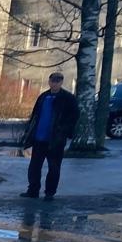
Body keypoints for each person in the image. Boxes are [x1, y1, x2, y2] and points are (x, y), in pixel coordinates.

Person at [18, 72, 79, 200]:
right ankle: (33, 190)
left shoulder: (68, 98)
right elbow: (35, 116)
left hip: (56, 140)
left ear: (61, 82)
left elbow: (73, 118)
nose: (55, 83)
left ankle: (50, 192)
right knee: (34, 166)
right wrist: (29, 133)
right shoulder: (43, 97)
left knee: (54, 167)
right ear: (49, 81)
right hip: (39, 138)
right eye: (53, 81)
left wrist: (63, 132)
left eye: (57, 81)